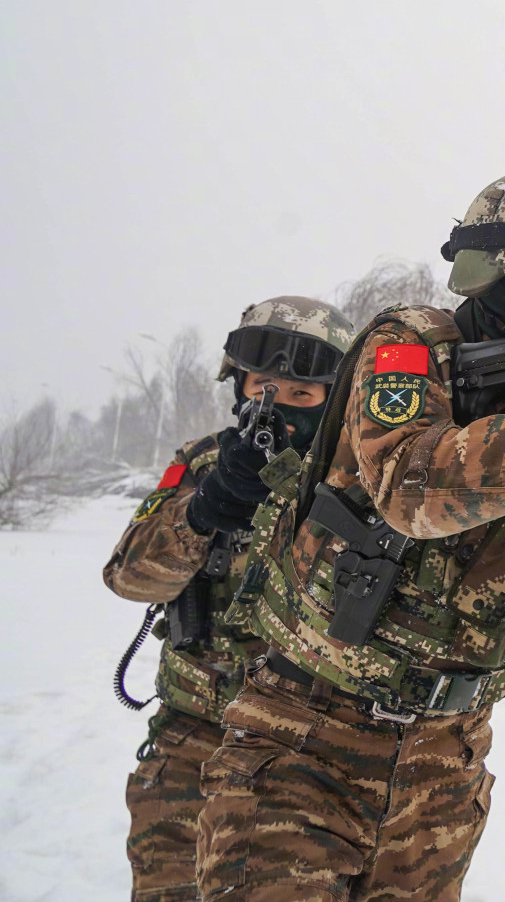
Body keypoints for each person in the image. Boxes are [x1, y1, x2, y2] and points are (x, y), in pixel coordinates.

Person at [196, 172, 505, 901]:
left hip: (447, 758)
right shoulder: (411, 347)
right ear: (495, 283)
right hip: (308, 740)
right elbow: (410, 486)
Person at [104, 295, 355, 902]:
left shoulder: (359, 477)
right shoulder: (201, 463)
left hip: (307, 752)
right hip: (195, 737)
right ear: (238, 384)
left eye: (302, 393)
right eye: (264, 386)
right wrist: (203, 511)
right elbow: (129, 579)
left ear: (334, 399)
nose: (278, 404)